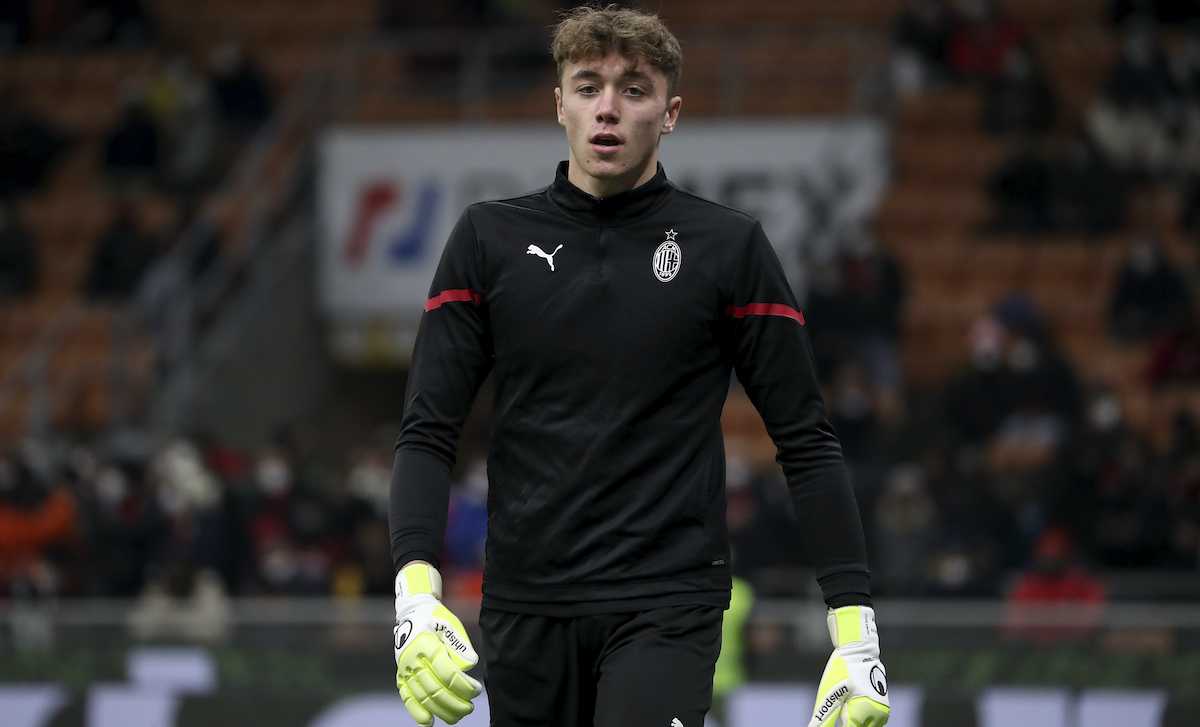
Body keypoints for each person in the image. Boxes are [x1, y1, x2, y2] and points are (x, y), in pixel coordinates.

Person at [387, 7, 889, 727]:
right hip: (526, 604)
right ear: (560, 103)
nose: (608, 109)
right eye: (588, 87)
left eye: (634, 89)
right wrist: (415, 598)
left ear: (670, 112)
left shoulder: (730, 247)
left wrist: (856, 633)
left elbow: (805, 442)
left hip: (668, 603)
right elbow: (428, 431)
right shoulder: (485, 240)